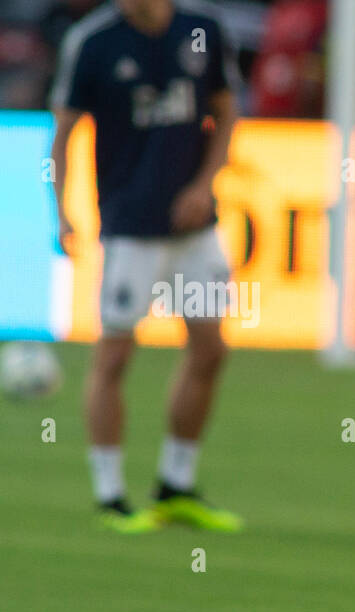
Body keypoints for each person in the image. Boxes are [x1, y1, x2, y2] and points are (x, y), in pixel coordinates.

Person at [50, 0, 243, 533]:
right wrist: (63, 212)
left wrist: (204, 185)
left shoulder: (202, 32)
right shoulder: (94, 41)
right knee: (114, 355)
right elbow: (64, 131)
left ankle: (175, 485)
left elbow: (226, 109)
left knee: (210, 349)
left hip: (194, 232)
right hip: (131, 228)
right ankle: (110, 495)